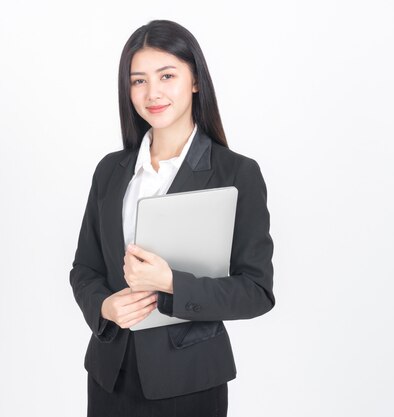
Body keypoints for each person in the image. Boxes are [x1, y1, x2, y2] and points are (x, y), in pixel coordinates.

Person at [69, 19, 274, 417]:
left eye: (167, 75)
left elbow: (256, 291)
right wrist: (104, 308)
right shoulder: (111, 170)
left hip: (189, 381)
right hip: (110, 373)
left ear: (195, 81)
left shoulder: (236, 173)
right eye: (138, 81)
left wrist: (171, 284)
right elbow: (84, 268)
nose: (152, 93)